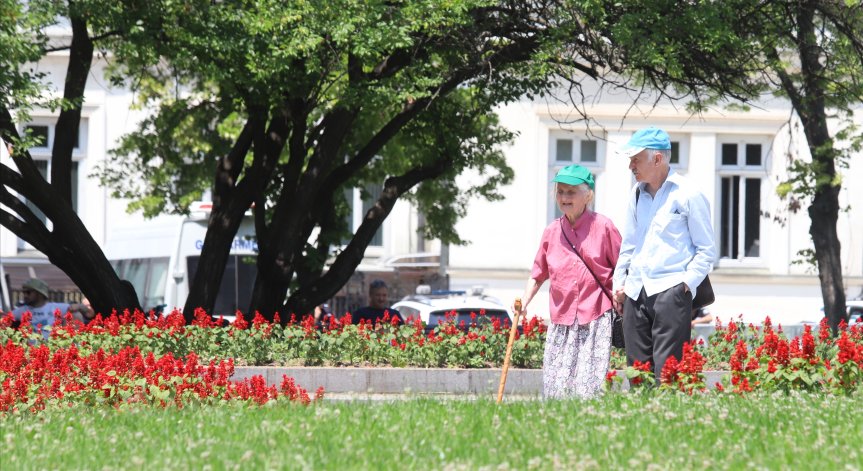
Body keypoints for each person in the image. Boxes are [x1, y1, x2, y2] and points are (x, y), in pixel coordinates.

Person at [612, 127, 716, 383]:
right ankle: (639, 420)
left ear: (657, 159)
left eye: (635, 159)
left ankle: (667, 420)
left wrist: (685, 286)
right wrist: (619, 283)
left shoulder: (688, 194)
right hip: (636, 291)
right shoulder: (636, 194)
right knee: (637, 373)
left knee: (668, 375)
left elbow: (706, 250)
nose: (630, 166)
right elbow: (629, 243)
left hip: (671, 291)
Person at [517, 165, 621, 399]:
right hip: (561, 321)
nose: (564, 197)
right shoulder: (552, 231)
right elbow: (538, 273)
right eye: (560, 191)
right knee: (556, 388)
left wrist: (621, 294)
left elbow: (624, 267)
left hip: (595, 318)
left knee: (588, 389)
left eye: (571, 192)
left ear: (588, 195)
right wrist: (524, 300)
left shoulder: (604, 227)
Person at [12, 278, 94, 337]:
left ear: (40, 293)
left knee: (75, 314)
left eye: (28, 292)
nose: (25, 295)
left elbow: (89, 313)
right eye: (24, 292)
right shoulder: (22, 311)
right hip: (31, 351)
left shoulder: (54, 307)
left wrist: (78, 306)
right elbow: (5, 317)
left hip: (53, 349)